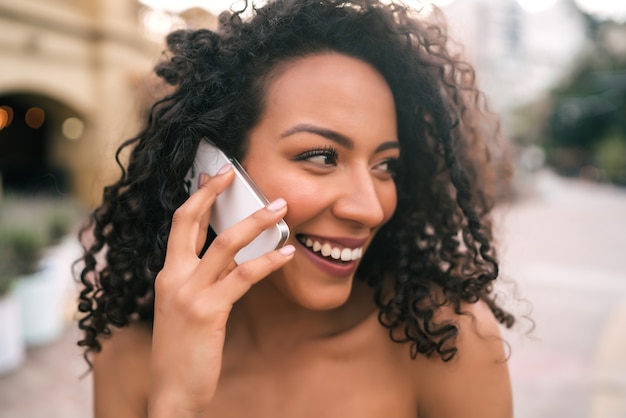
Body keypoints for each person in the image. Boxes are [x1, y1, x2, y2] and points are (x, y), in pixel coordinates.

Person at [76, 0, 518, 416]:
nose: (370, 209)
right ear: (210, 167)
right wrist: (175, 401)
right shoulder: (131, 360)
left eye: (385, 165)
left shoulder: (441, 339)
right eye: (323, 157)